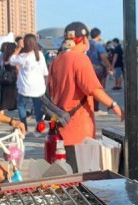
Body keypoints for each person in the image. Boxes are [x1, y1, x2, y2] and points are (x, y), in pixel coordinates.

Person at [47, 22, 123, 171]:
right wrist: (114, 105)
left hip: (60, 125)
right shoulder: (80, 59)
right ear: (83, 39)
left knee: (64, 175)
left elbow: (50, 88)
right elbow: (93, 89)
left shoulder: (57, 60)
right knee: (79, 176)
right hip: (79, 128)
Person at [10, 34, 49, 130]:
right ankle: (39, 125)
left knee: (21, 105)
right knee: (38, 107)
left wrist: (18, 48)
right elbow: (45, 72)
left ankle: (24, 125)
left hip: (25, 88)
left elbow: (11, 60)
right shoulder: (40, 55)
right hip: (38, 88)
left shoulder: (23, 56)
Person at [87, 28, 112, 109]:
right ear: (98, 35)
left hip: (88, 69)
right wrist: (109, 66)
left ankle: (90, 106)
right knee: (98, 88)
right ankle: (96, 108)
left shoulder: (87, 44)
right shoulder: (98, 45)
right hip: (98, 69)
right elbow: (103, 57)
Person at [0, 42, 18, 113]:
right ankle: (16, 108)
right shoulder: (13, 58)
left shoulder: (4, 56)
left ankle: (1, 112)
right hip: (12, 78)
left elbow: (1, 66)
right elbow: (17, 68)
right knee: (14, 95)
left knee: (3, 96)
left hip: (5, 78)